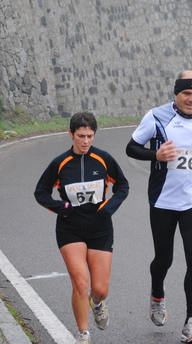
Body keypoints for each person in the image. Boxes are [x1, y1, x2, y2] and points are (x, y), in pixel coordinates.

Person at [125, 71, 192, 344]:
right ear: (176, 94)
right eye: (186, 94)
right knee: (164, 259)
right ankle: (157, 294)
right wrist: (155, 154)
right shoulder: (157, 117)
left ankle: (191, 323)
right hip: (163, 201)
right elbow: (131, 148)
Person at [35, 112, 129, 344]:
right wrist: (61, 207)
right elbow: (41, 192)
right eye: (80, 136)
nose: (85, 141)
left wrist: (108, 208)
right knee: (80, 282)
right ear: (71, 134)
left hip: (100, 228)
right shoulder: (60, 163)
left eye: (89, 136)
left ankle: (97, 304)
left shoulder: (104, 159)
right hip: (70, 229)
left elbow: (123, 186)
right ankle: (83, 334)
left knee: (99, 289)